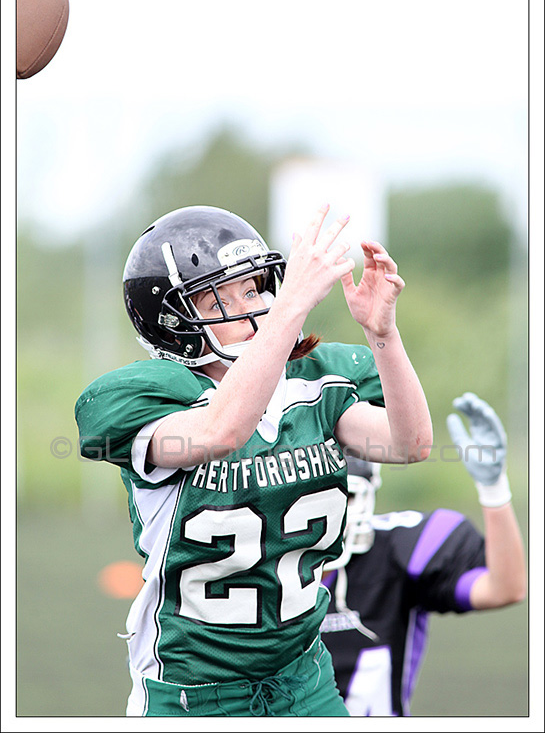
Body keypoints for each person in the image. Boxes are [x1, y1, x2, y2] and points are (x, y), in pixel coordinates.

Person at [74, 203, 433, 717]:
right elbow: (220, 431)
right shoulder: (145, 396)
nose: (253, 309)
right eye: (221, 298)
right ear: (173, 324)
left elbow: (409, 443)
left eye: (253, 289)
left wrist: (383, 334)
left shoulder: (313, 381)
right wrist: (293, 306)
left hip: (304, 682)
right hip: (192, 693)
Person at [319, 392, 526, 717]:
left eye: (347, 497)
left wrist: (494, 490)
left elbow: (505, 588)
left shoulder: (397, 552)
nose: (334, 513)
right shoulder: (246, 563)